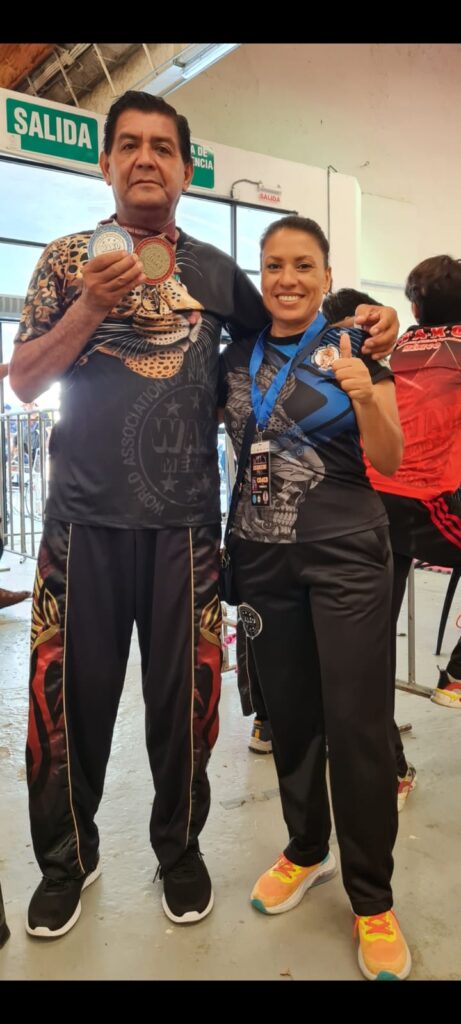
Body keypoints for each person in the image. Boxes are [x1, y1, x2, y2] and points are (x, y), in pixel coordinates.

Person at [9, 91, 399, 941]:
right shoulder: (64, 260)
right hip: (79, 524)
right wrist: (89, 306)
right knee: (67, 704)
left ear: (186, 170)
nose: (145, 159)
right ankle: (66, 861)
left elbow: (295, 330)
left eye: (162, 147)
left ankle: (178, 849)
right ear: (105, 163)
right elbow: (26, 381)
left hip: (187, 531)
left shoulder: (218, 272)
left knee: (184, 708)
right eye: (128, 145)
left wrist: (375, 319)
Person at [220, 215, 411, 981]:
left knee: (356, 726)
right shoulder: (235, 358)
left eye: (303, 265)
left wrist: (364, 395)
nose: (288, 278)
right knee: (291, 718)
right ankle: (306, 850)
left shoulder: (355, 346)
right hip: (263, 559)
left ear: (327, 277)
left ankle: (372, 899)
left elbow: (389, 457)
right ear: (260, 275)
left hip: (348, 557)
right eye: (274, 265)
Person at [366, 259, 461, 714]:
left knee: (374, 631)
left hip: (369, 495)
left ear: (415, 309)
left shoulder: (398, 344)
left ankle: (380, 747)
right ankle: (457, 677)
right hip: (423, 499)